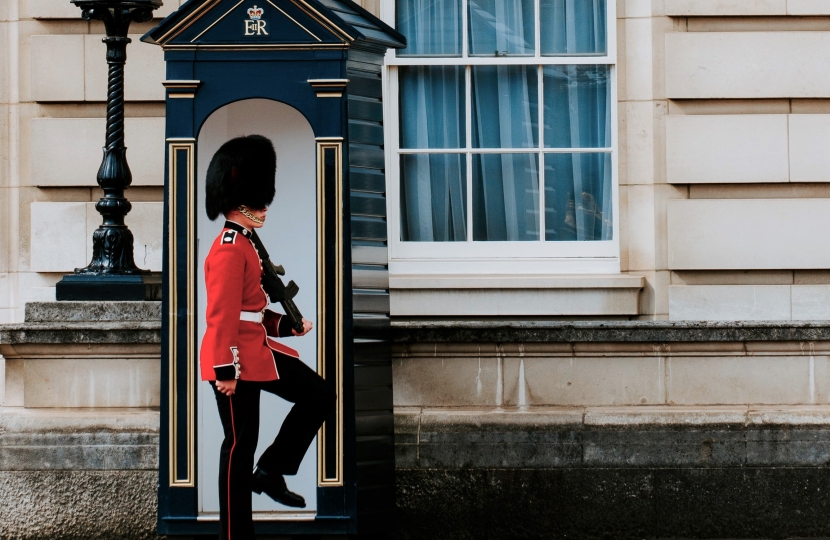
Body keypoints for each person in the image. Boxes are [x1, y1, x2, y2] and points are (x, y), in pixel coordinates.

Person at [200, 134, 336, 540]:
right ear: (243, 196)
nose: (264, 207)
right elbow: (221, 316)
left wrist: (285, 326)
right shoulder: (228, 247)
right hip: (235, 360)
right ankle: (234, 535)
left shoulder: (247, 242)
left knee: (318, 394)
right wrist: (225, 370)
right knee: (238, 447)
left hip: (256, 349)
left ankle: (272, 470)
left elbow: (252, 310)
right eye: (259, 197)